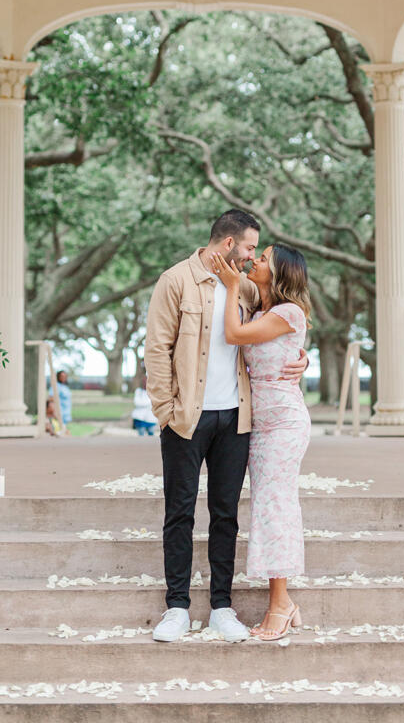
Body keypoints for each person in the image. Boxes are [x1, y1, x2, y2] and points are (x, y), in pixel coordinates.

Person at [144, 209, 307, 643]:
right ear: (230, 243)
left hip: (237, 417)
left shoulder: (248, 288)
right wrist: (165, 410)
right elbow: (156, 349)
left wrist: (302, 360)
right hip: (187, 416)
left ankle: (221, 607)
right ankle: (177, 607)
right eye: (252, 247)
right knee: (179, 512)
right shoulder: (175, 280)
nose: (255, 256)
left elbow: (286, 322)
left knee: (225, 515)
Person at [211, 243, 311, 641]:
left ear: (282, 273)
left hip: (284, 422)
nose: (255, 261)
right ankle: (284, 601)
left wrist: (231, 284)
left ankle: (281, 604)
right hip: (258, 422)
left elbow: (233, 335)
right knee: (268, 505)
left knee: (275, 506)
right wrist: (306, 359)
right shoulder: (263, 313)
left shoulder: (288, 312)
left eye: (264, 258)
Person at [56, 369, 72, 434]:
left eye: (65, 376)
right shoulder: (56, 386)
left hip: (66, 412)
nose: (63, 378)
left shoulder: (65, 386)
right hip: (60, 411)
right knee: (61, 430)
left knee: (65, 430)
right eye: (62, 376)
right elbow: (51, 397)